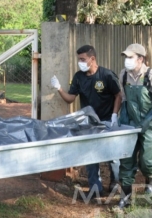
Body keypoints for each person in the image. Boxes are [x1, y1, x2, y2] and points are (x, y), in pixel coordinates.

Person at [50, 45, 122, 197]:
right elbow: (70, 99)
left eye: (82, 59)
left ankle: (115, 182)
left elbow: (118, 95)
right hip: (88, 122)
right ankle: (95, 187)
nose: (80, 62)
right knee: (90, 154)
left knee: (112, 155)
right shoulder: (78, 77)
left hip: (108, 120)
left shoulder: (107, 75)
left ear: (92, 59)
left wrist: (115, 115)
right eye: (79, 59)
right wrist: (59, 89)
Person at [117, 43, 152, 209]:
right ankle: (125, 198)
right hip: (131, 122)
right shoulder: (123, 75)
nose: (127, 60)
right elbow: (124, 98)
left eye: (130, 57)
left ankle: (150, 179)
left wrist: (147, 120)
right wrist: (121, 119)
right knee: (126, 158)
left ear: (141, 59)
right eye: (126, 57)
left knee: (146, 161)